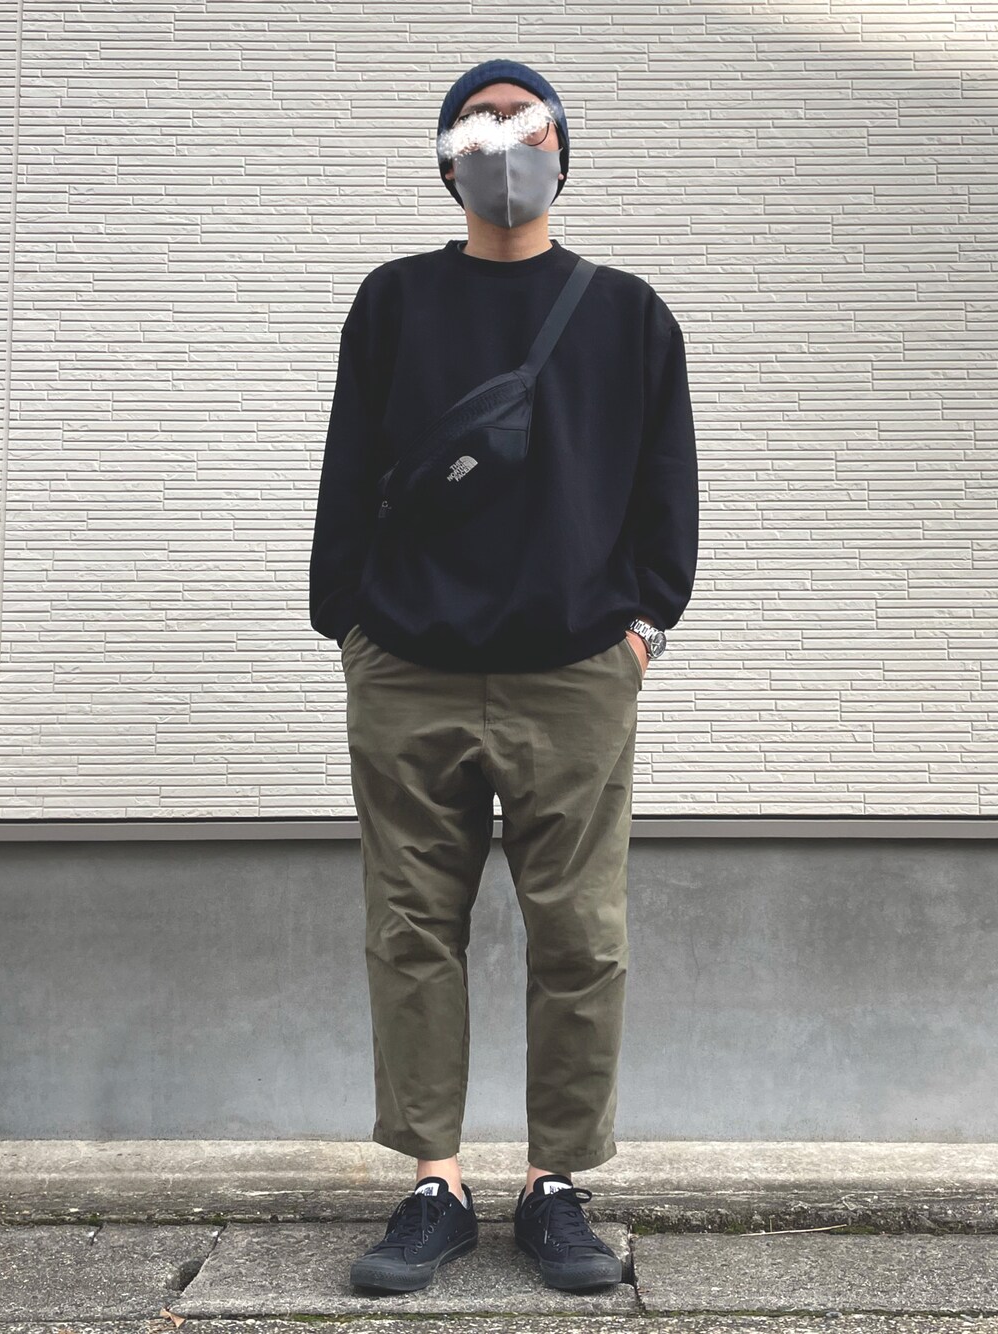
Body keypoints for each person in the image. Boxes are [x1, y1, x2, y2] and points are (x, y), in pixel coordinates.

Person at [309, 58, 698, 1295]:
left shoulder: (627, 314)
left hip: (573, 672)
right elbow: (349, 466)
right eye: (475, 124)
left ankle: (554, 1185)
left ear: (562, 153)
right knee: (409, 926)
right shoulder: (394, 300)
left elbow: (665, 486)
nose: (500, 143)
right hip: (408, 666)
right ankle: (435, 1180)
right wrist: (345, 622)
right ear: (444, 160)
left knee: (580, 934)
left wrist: (642, 627)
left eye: (523, 124)